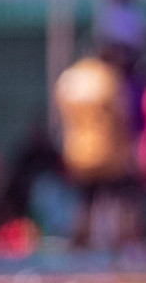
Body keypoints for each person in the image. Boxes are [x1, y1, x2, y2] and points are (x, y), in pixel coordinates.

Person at [54, 44, 138, 251]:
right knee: (120, 197)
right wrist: (128, 148)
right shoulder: (108, 78)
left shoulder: (71, 78)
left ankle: (81, 244)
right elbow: (122, 116)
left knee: (86, 199)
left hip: (78, 150)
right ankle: (122, 244)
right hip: (107, 151)